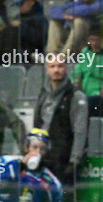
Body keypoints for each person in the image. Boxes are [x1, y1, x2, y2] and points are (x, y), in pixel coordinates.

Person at [33, 55, 87, 192]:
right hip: (43, 157)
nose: (56, 70)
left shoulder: (76, 95)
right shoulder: (43, 93)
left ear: (66, 69)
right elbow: (37, 122)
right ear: (47, 70)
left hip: (63, 159)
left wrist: (74, 161)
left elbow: (80, 131)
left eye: (60, 66)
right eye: (52, 66)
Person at [0, 128, 62, 202]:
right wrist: (22, 165)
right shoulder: (5, 162)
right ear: (26, 148)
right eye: (34, 147)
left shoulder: (51, 180)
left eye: (42, 149)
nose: (38, 152)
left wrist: (48, 191)